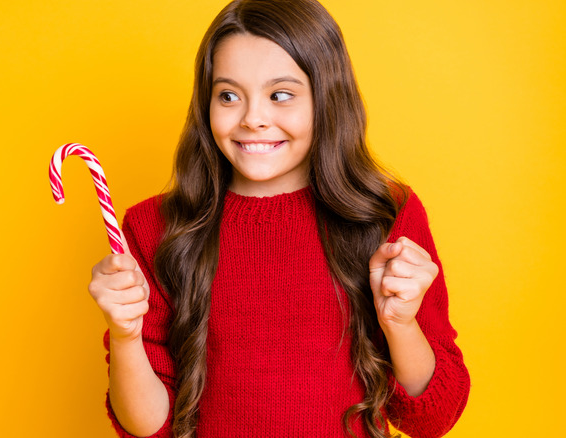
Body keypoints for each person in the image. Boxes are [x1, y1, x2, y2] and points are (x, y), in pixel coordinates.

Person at [87, 0, 470, 437]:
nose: (253, 119)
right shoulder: (154, 228)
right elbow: (148, 428)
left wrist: (399, 323)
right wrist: (124, 336)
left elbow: (433, 418)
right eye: (228, 95)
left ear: (325, 96)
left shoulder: (385, 217)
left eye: (280, 95)